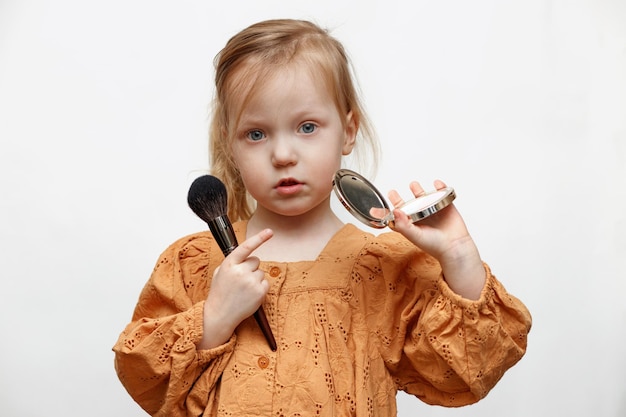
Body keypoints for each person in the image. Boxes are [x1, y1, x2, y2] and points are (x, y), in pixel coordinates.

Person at [113, 18, 532, 417]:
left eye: (307, 127)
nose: (282, 155)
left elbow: (468, 371)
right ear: (230, 144)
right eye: (256, 134)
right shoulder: (195, 262)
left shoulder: (383, 266)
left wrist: (459, 258)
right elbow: (145, 379)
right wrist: (214, 319)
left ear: (348, 130)